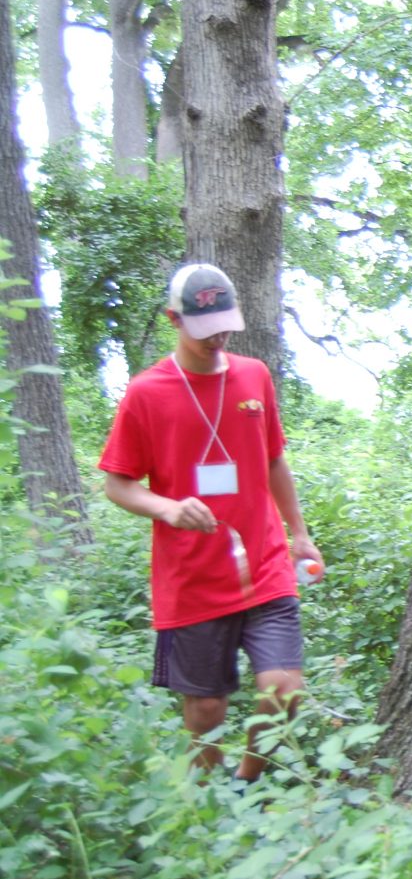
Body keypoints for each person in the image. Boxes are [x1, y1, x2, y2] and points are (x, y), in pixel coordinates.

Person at [99, 263, 322, 788]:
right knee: (206, 712)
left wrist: (300, 532)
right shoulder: (146, 393)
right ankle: (207, 801)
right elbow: (118, 483)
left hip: (264, 561)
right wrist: (168, 508)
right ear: (172, 319)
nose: (217, 338)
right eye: (204, 329)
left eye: (224, 324)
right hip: (192, 577)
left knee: (284, 688)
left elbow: (273, 461)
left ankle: (245, 787)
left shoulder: (253, 376)